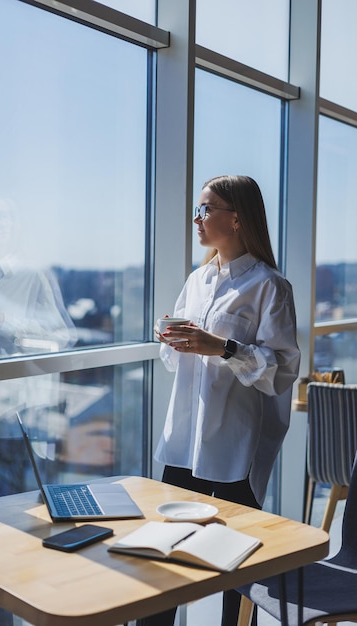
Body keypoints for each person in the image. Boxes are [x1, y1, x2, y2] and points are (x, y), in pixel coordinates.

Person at [140, 175, 300, 626]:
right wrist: (170, 337)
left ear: (237, 218)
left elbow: (283, 367)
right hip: (185, 439)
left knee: (236, 566)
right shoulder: (198, 279)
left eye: (206, 209)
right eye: (198, 208)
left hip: (235, 444)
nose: (197, 218)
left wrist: (224, 348)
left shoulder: (270, 286)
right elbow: (177, 361)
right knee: (162, 556)